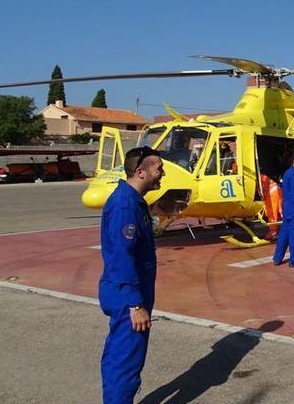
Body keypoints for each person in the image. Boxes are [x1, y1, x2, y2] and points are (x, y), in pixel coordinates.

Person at [99, 146, 165, 403]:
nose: (162, 173)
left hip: (132, 291)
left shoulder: (133, 202)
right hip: (128, 296)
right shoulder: (126, 206)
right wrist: (134, 303)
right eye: (158, 168)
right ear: (140, 172)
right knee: (125, 361)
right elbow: (121, 257)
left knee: (123, 356)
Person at [273, 152, 294, 267]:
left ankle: (277, 258)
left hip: (287, 208)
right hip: (293, 209)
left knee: (284, 235)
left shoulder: (288, 173)